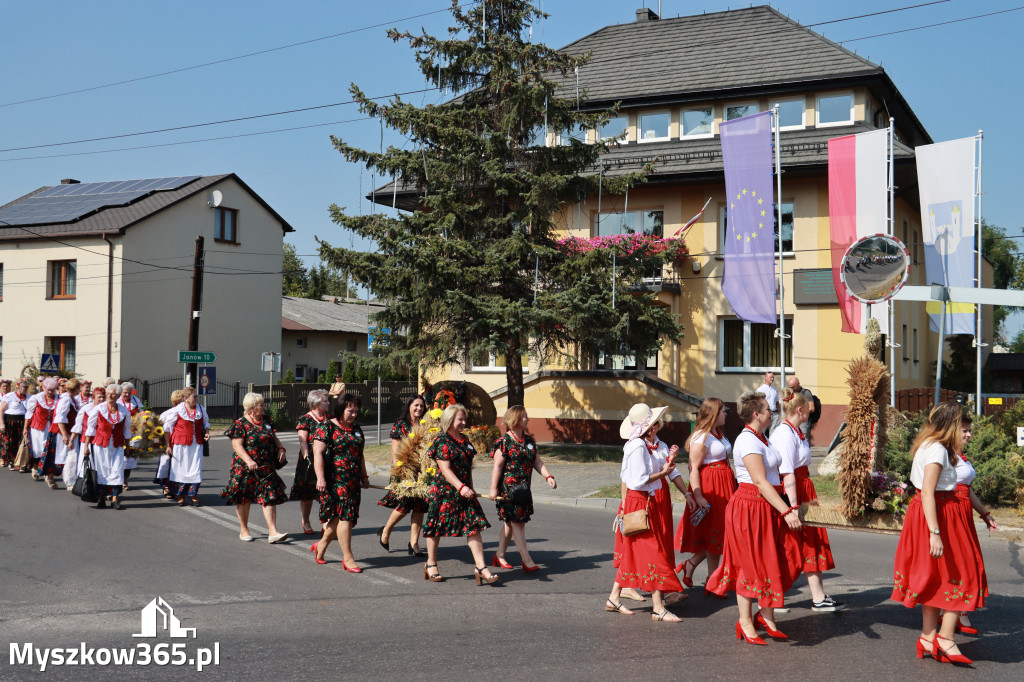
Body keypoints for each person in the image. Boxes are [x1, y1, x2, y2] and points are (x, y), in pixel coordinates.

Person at [891, 402, 984, 664]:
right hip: (939, 513)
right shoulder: (937, 451)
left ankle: (928, 637)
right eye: (962, 427)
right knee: (962, 574)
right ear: (952, 425)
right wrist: (935, 532)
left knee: (936, 578)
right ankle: (944, 638)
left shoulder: (929, 445)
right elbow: (929, 492)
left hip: (933, 511)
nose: (967, 434)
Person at [707, 391, 803, 645]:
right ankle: (746, 622)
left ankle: (767, 616)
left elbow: (776, 474)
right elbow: (759, 481)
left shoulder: (762, 438)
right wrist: (786, 510)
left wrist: (788, 503)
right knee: (749, 565)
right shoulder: (747, 441)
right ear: (756, 414)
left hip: (767, 506)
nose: (772, 412)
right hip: (750, 508)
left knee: (776, 559)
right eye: (767, 409)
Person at [607, 403, 686, 622]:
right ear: (650, 427)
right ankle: (658, 608)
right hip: (639, 501)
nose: (659, 423)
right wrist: (663, 473)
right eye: (654, 421)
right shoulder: (637, 447)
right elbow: (637, 481)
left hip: (645, 501)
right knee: (654, 553)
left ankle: (614, 597)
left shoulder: (642, 444)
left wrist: (666, 467)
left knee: (636, 552)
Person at [773, 388, 844, 612]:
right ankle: (773, 598)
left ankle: (818, 596)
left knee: (812, 541)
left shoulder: (795, 431)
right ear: (801, 409)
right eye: (809, 408)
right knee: (789, 545)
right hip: (795, 492)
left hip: (805, 488)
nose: (811, 412)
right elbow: (787, 472)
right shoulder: (784, 433)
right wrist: (793, 507)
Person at [420, 403, 497, 585]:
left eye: (464, 419)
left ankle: (481, 567)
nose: (463, 422)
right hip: (445, 492)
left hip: (464, 491)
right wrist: (461, 487)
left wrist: (470, 487)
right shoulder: (442, 441)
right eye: (459, 419)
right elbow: (445, 469)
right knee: (435, 527)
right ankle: (430, 564)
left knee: (474, 526)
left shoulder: (465, 441)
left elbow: (468, 467)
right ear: (449, 420)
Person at [676, 397, 736, 595]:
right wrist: (698, 495)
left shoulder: (717, 433)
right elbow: (693, 468)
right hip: (711, 485)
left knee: (718, 533)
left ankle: (702, 573)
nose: (726, 414)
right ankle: (711, 579)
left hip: (724, 483)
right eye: (723, 411)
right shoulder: (701, 436)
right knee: (717, 532)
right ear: (713, 413)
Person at [488, 406, 556, 572]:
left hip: (523, 490)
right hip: (508, 491)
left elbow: (537, 462)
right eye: (525, 417)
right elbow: (497, 466)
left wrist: (548, 476)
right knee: (518, 523)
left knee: (510, 524)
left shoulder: (529, 442)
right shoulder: (503, 442)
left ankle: (500, 555)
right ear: (517, 420)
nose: (528, 419)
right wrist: (492, 489)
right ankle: (527, 560)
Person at [945, 412, 995, 635]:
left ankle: (958, 612)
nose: (969, 434)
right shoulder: (943, 456)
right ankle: (952, 612)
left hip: (963, 515)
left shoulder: (960, 457)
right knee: (959, 564)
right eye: (964, 430)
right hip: (950, 515)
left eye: (969, 430)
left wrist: (985, 514)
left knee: (965, 562)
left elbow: (968, 489)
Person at [311, 393, 369, 571]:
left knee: (337, 519)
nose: (353, 414)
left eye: (356, 411)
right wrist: (320, 478)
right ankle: (348, 558)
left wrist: (364, 476)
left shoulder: (357, 429)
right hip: (334, 481)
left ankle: (320, 546)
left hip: (352, 482)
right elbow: (317, 453)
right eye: (350, 411)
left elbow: (360, 455)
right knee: (346, 518)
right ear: (341, 409)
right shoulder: (326, 427)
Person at [221, 392, 289, 543]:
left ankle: (273, 532)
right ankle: (244, 530)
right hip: (245, 467)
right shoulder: (240, 424)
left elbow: (274, 437)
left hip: (266, 466)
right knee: (244, 498)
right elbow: (236, 445)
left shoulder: (267, 420)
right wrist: (249, 460)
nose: (264, 407)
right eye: (261, 405)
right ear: (251, 408)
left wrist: (281, 449)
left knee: (269, 496)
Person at [377, 395, 428, 554]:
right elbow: (395, 452)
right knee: (405, 505)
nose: (419, 408)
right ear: (409, 406)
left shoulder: (426, 425)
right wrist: (399, 472)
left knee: (420, 507)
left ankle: (414, 543)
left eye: (421, 406)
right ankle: (386, 530)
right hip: (404, 469)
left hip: (422, 471)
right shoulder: (401, 425)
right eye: (416, 405)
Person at [84, 384, 132, 509]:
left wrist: (128, 447)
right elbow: (91, 428)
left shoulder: (123, 410)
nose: (110, 396)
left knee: (117, 470)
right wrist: (86, 446)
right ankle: (101, 499)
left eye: (113, 394)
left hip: (117, 445)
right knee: (102, 471)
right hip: (101, 445)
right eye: (108, 393)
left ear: (118, 396)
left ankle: (115, 499)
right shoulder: (99, 409)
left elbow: (126, 430)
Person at [292, 389, 331, 535]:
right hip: (309, 462)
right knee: (307, 494)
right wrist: (308, 459)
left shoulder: (330, 418)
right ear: (315, 403)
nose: (328, 403)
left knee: (326, 494)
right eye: (325, 400)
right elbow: (303, 442)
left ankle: (327, 524)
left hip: (327, 461)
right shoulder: (306, 419)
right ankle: (306, 521)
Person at [164, 387, 209, 507]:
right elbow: (167, 428)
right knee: (180, 468)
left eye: (196, 397)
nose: (196, 399)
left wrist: (207, 433)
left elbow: (206, 423)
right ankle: (181, 495)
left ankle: (194, 494)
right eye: (193, 397)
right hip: (180, 444)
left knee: (195, 468)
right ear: (185, 398)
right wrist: (168, 445)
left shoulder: (200, 409)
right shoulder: (178, 410)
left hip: (196, 444)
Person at [24, 377, 60, 487]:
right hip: (37, 428)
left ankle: (47, 473)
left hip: (52, 427)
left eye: (52, 390)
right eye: (48, 390)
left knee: (49, 450)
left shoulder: (59, 398)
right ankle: (35, 467)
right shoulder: (36, 398)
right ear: (43, 388)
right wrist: (25, 428)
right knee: (37, 449)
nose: (50, 392)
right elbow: (29, 414)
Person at [68, 387, 105, 489]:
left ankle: (99, 486)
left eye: (103, 397)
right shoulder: (86, 409)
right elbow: (78, 426)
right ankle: (84, 486)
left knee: (99, 464)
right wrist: (71, 440)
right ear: (93, 397)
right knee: (85, 463)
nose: (102, 399)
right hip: (86, 440)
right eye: (99, 397)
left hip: (100, 441)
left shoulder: (106, 409)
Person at [53, 379, 82, 490]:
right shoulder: (65, 400)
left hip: (71, 431)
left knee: (71, 456)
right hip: (65, 432)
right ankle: (69, 482)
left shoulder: (72, 399)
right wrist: (65, 434)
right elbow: (60, 418)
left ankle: (70, 480)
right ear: (76, 389)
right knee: (69, 456)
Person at [155, 390, 184, 497]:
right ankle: (168, 487)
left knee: (171, 465)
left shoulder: (166, 413)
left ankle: (170, 488)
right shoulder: (169, 413)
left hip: (177, 442)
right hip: (170, 441)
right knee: (169, 465)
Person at [118, 382, 142, 489]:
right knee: (119, 457)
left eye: (129, 393)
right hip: (120, 433)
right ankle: (118, 479)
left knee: (129, 458)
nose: (127, 395)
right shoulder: (117, 401)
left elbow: (143, 413)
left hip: (133, 434)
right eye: (125, 393)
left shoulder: (136, 401)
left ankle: (125, 480)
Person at [0, 380, 29, 470]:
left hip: (23, 421)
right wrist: (2, 424)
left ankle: (21, 462)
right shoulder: (9, 396)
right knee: (10, 442)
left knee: (22, 442)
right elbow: (1, 410)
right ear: (18, 387)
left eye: (26, 387)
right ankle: (11, 461)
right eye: (23, 387)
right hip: (10, 420)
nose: (25, 389)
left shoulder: (29, 397)